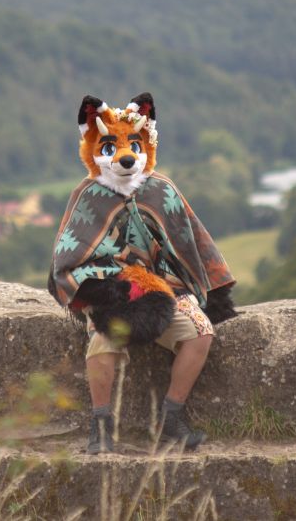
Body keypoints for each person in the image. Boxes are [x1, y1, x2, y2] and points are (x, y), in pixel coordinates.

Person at [47, 93, 237, 454]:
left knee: (200, 333)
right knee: (102, 341)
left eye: (135, 144)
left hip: (168, 289)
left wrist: (213, 293)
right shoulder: (86, 196)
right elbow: (69, 257)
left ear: (146, 144)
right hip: (110, 290)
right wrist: (110, 292)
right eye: (114, 146)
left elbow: (192, 241)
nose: (126, 154)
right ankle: (100, 425)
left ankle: (171, 420)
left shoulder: (162, 190)